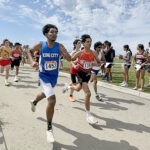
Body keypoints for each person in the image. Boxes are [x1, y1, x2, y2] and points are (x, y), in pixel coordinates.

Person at [28, 24, 71, 143]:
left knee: (45, 93)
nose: (55, 34)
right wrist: (32, 61)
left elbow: (69, 59)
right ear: (46, 34)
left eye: (56, 32)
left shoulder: (59, 46)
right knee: (52, 99)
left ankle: (34, 101)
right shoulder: (40, 45)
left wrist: (65, 53)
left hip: (53, 77)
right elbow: (29, 51)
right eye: (52, 32)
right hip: (43, 75)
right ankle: (49, 128)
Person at [63, 34, 101, 125]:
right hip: (80, 73)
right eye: (87, 42)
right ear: (84, 43)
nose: (89, 43)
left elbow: (98, 63)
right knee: (88, 93)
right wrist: (73, 61)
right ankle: (88, 115)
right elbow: (71, 59)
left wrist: (93, 64)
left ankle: (68, 87)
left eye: (90, 41)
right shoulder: (80, 53)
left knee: (77, 89)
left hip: (87, 74)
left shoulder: (93, 53)